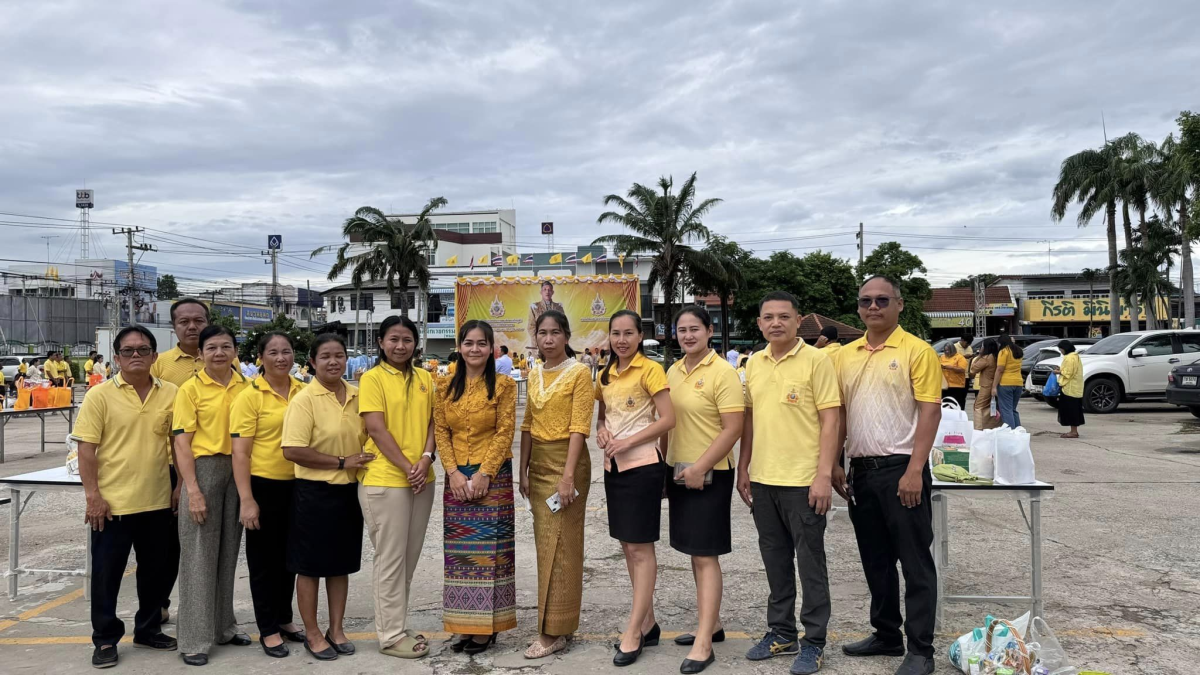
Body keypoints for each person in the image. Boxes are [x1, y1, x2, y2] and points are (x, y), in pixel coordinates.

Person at [833, 276, 940, 675]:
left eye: (882, 300)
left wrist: (915, 469)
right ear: (858, 308)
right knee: (875, 560)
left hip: (902, 470)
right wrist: (834, 463)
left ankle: (920, 650)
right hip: (861, 471)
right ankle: (886, 635)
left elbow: (931, 411)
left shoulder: (917, 350)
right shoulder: (844, 355)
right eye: (865, 301)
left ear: (899, 305)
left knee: (914, 563)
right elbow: (840, 413)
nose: (873, 307)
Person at [738, 291, 841, 675]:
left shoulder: (817, 361)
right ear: (760, 323)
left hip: (803, 482)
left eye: (784, 316)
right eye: (769, 317)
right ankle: (781, 633)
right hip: (763, 480)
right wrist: (743, 466)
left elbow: (831, 420)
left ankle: (814, 641)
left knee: (811, 564)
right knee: (775, 562)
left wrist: (823, 474)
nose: (776, 323)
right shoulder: (754, 364)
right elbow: (749, 420)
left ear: (799, 321)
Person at [74, 326, 179, 669]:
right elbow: (86, 450)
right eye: (129, 350)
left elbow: (180, 445)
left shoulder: (172, 393)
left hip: (158, 501)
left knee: (155, 574)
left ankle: (148, 629)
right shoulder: (99, 396)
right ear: (116, 357)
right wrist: (93, 497)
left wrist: (181, 486)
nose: (136, 355)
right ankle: (105, 638)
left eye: (143, 349)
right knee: (107, 577)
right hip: (112, 504)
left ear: (154, 356)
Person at [282, 334, 372, 661]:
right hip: (314, 493)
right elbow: (292, 449)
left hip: (349, 492)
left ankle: (337, 629)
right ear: (312, 362)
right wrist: (340, 461)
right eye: (325, 356)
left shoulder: (359, 395)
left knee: (340, 566)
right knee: (309, 568)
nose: (333, 361)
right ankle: (313, 632)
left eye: (339, 355)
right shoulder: (304, 400)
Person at [665, 307, 744, 674]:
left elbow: (733, 429)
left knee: (705, 555)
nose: (688, 335)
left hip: (710, 474)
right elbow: (669, 424)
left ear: (710, 331)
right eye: (682, 330)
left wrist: (701, 466)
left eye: (695, 329)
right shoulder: (674, 370)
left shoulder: (723, 372)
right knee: (693, 553)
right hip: (679, 472)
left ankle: (703, 642)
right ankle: (711, 624)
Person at [595, 310, 675, 667]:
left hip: (643, 467)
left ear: (640, 337)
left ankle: (633, 631)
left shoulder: (651, 370)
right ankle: (648, 621)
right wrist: (601, 431)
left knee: (641, 550)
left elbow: (668, 419)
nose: (622, 340)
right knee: (629, 547)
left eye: (629, 333)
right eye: (616, 333)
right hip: (614, 468)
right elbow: (602, 415)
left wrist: (628, 441)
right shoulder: (605, 373)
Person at [435, 320, 518, 655]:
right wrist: (453, 472)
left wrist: (485, 473)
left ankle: (488, 627)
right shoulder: (443, 386)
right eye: (468, 343)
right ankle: (465, 624)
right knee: (462, 557)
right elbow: (441, 430)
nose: (474, 349)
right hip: (456, 477)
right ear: (460, 346)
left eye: (481, 344)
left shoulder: (503, 385)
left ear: (491, 348)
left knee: (491, 555)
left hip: (493, 477)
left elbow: (505, 430)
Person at [172, 325, 252, 666]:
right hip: (204, 470)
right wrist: (192, 489)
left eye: (226, 347)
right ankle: (193, 638)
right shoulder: (190, 390)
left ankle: (223, 627)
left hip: (238, 471)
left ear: (235, 352)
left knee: (228, 552)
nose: (219, 353)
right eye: (212, 348)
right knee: (198, 556)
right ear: (201, 353)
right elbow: (181, 442)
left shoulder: (247, 387)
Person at [357, 316, 437, 659]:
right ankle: (389, 636)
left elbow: (434, 422)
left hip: (422, 479)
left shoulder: (425, 378)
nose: (400, 345)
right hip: (385, 481)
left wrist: (426, 458)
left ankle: (398, 624)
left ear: (415, 343)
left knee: (409, 559)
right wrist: (408, 467)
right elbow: (376, 429)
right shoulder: (372, 378)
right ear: (381, 342)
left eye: (407, 339)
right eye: (393, 339)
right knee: (390, 560)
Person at [517, 310, 594, 660]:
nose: (548, 339)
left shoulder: (579, 373)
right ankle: (558, 625)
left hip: (569, 465)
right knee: (545, 544)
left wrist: (566, 478)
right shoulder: (533, 373)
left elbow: (579, 426)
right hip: (539, 465)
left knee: (562, 544)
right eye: (542, 333)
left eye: (555, 333)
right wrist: (523, 469)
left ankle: (554, 631)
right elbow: (528, 424)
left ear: (566, 336)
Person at [230, 332, 306, 658]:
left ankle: (285, 618)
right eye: (272, 352)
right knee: (263, 562)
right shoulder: (249, 397)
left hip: (300, 486)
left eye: (286, 351)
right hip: (263, 485)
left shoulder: (304, 390)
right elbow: (241, 454)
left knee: (291, 558)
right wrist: (247, 499)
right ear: (260, 357)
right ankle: (268, 628)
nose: (280, 358)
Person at [152, 297, 213, 623]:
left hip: (213, 464)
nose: (191, 326)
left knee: (204, 541)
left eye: (198, 321)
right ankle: (160, 603)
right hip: (169, 464)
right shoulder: (160, 364)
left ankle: (208, 610)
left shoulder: (221, 359)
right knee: (167, 542)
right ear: (174, 326)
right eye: (184, 321)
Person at [1053, 340, 1084, 438]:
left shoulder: (1069, 358)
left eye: (1061, 349)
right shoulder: (1075, 356)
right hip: (1076, 387)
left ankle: (1073, 432)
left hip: (1069, 388)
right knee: (1074, 409)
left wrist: (1058, 372)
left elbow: (1068, 373)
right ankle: (1074, 431)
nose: (1061, 351)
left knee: (1071, 410)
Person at [993, 334, 1025, 429]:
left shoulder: (1004, 352)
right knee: (1013, 410)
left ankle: (1010, 433)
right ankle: (1018, 431)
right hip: (1018, 382)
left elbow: (1000, 370)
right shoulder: (1018, 351)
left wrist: (994, 386)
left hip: (1005, 383)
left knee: (1006, 410)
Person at [969, 339, 1002, 431]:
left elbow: (973, 369)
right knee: (990, 406)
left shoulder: (986, 358)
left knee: (978, 406)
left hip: (986, 385)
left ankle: (978, 428)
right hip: (995, 384)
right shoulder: (996, 356)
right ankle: (992, 425)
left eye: (982, 346)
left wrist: (979, 355)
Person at [527, 280, 565, 348]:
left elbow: (563, 325)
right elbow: (531, 327)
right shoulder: (534, 307)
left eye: (549, 290)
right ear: (541, 292)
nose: (547, 292)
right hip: (538, 345)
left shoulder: (558, 307)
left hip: (555, 344)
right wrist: (539, 340)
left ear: (552, 292)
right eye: (544, 289)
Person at [940, 342, 969, 410]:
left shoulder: (960, 357)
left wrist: (950, 367)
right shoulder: (942, 357)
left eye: (948, 350)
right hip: (945, 385)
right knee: (945, 403)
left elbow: (962, 369)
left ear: (953, 350)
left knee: (957, 403)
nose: (946, 352)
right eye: (945, 350)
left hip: (957, 385)